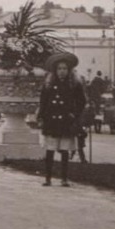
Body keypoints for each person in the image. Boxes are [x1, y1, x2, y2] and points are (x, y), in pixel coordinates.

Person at [36, 52, 87, 186]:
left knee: (64, 150)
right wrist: (41, 116)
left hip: (65, 121)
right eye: (59, 68)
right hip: (51, 120)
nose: (62, 71)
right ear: (55, 70)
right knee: (50, 150)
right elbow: (43, 101)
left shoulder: (74, 84)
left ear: (69, 70)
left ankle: (64, 178)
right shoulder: (49, 84)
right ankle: (48, 177)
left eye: (64, 68)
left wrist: (74, 114)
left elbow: (81, 101)